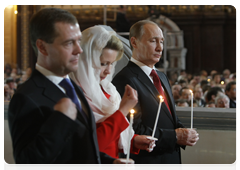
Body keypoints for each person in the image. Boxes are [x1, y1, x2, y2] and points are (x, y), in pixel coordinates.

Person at [8, 8, 134, 170]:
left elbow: (81, 146)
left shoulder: (73, 87)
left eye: (78, 41)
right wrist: (60, 119)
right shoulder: (27, 96)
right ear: (42, 47)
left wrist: (110, 163)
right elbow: (28, 163)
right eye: (69, 43)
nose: (79, 50)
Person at [112, 20, 199, 170]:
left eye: (162, 42)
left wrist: (184, 132)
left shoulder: (162, 77)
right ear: (134, 42)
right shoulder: (125, 79)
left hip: (171, 160)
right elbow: (133, 130)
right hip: (149, 163)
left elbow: (170, 117)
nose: (160, 48)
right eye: (153, 41)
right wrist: (175, 136)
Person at [69, 25, 155, 159]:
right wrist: (123, 110)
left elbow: (112, 134)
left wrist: (133, 141)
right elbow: (92, 145)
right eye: (103, 63)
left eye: (112, 64)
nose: (109, 71)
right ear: (85, 60)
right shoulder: (72, 95)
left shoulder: (108, 90)